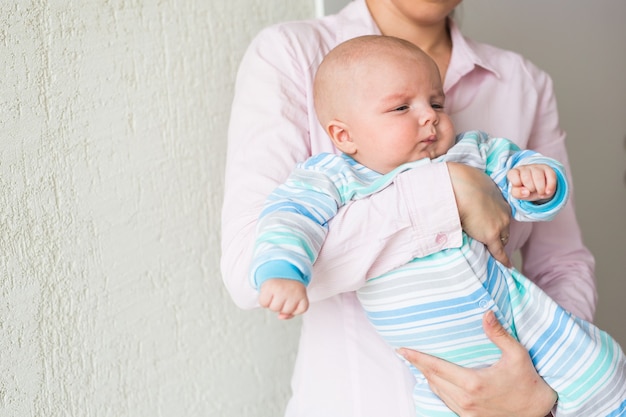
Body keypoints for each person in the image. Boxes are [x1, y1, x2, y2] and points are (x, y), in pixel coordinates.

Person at [221, 1, 598, 416]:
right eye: (401, 108)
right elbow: (249, 267)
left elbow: (562, 263)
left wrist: (545, 384)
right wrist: (448, 191)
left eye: (437, 105)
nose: (431, 120)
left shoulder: (522, 83)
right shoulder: (292, 53)